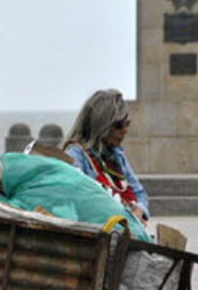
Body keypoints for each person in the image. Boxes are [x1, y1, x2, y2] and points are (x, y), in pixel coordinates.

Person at [61, 89, 149, 225]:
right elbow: (80, 199)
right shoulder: (75, 155)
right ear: (101, 125)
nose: (125, 130)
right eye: (119, 125)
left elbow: (140, 193)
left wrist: (139, 211)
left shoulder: (117, 155)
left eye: (127, 123)